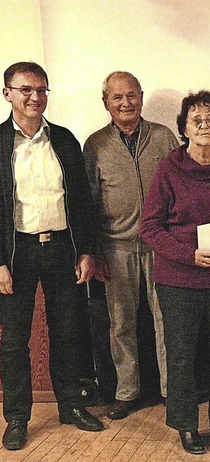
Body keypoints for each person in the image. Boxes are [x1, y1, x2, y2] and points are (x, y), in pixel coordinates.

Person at [0, 62, 104, 451]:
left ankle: (71, 406)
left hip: (62, 247)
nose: (35, 97)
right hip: (16, 252)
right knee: (14, 341)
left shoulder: (63, 140)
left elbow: (81, 201)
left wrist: (87, 250)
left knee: (68, 332)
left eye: (42, 89)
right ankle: (17, 417)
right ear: (7, 93)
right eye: (25, 89)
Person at [140, 91, 210, 454]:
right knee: (181, 354)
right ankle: (185, 424)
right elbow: (149, 227)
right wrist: (189, 255)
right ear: (184, 128)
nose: (203, 125)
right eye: (196, 120)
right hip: (179, 279)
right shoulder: (169, 169)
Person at [83, 71, 179, 420]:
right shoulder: (95, 144)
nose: (126, 103)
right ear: (105, 102)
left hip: (161, 246)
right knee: (120, 323)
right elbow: (89, 202)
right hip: (116, 247)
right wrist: (94, 252)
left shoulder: (164, 137)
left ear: (141, 96)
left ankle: (172, 390)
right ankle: (127, 391)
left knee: (166, 320)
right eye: (117, 97)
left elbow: (178, 191)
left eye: (132, 95)